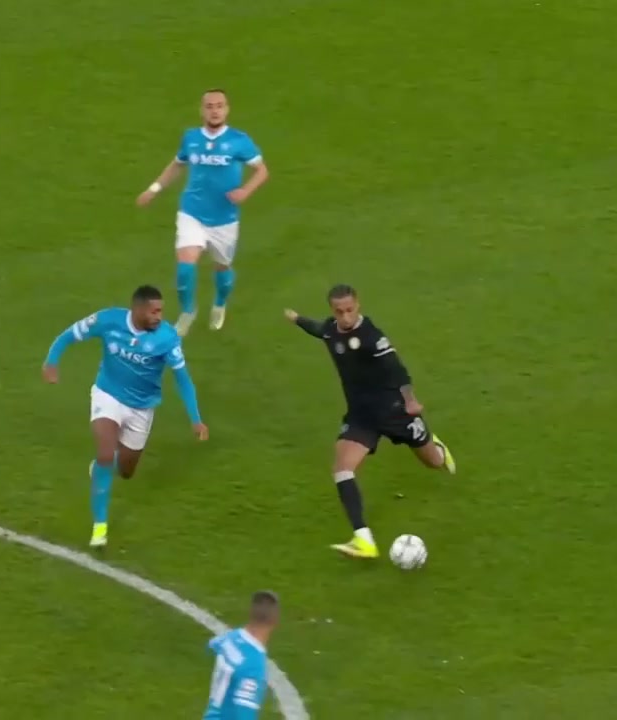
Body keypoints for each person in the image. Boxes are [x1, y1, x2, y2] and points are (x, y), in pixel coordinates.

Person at [285, 284, 456, 559]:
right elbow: (318, 329)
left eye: (349, 310)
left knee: (434, 463)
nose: (345, 317)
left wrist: (410, 400)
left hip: (395, 412)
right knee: (342, 468)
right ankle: (363, 539)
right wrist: (296, 319)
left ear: (358, 305)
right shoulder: (331, 330)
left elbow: (397, 369)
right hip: (361, 416)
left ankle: (437, 448)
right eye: (339, 311)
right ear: (333, 310)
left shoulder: (371, 336)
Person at [42, 285, 208, 547]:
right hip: (108, 394)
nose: (160, 317)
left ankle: (104, 468)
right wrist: (51, 361)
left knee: (127, 470)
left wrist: (195, 419)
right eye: (154, 312)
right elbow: (70, 334)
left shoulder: (167, 338)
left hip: (141, 408)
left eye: (161, 311)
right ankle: (100, 527)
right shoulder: (109, 320)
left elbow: (183, 379)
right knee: (106, 454)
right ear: (138, 310)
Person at [136, 89, 269, 336]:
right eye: (209, 106)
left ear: (227, 109)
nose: (214, 111)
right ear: (202, 110)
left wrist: (245, 191)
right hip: (192, 212)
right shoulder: (191, 138)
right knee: (185, 267)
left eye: (219, 106)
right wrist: (153, 189)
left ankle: (219, 304)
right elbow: (177, 164)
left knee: (222, 267)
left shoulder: (239, 140)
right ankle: (188, 312)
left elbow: (262, 171)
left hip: (224, 218)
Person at [203, 590, 280, 719]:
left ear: (251, 614)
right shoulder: (253, 665)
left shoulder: (228, 638)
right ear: (275, 621)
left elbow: (210, 647)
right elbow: (244, 714)